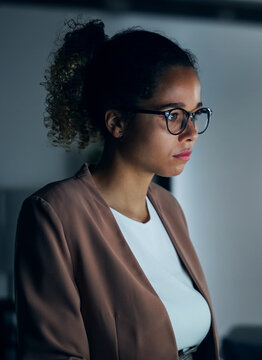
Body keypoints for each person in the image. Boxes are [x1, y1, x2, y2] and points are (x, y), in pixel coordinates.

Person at [13, 19, 219, 360]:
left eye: (196, 114)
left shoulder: (168, 208)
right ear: (117, 123)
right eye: (173, 115)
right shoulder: (54, 213)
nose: (191, 132)